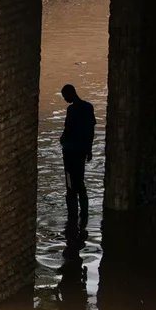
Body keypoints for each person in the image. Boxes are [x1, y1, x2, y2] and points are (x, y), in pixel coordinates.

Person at [60, 84, 96, 232]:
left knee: (70, 184)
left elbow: (67, 129)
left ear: (69, 94)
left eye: (65, 96)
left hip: (69, 152)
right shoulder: (88, 107)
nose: (65, 99)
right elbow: (91, 130)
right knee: (80, 181)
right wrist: (89, 150)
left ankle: (72, 216)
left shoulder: (72, 110)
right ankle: (84, 213)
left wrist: (62, 139)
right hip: (81, 150)